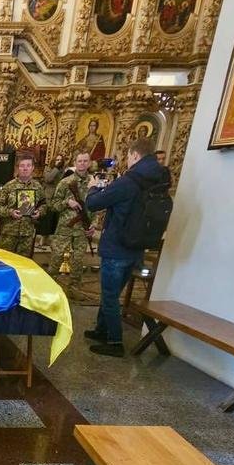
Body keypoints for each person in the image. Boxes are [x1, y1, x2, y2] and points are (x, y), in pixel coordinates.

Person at [82, 137, 171, 357]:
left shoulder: (129, 181)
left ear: (135, 155)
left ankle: (114, 341)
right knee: (112, 292)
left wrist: (93, 188)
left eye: (129, 157)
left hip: (117, 246)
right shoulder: (157, 179)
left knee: (110, 296)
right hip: (137, 246)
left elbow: (93, 203)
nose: (128, 161)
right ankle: (101, 330)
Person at [48, 151, 96, 298]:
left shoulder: (93, 184)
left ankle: (74, 289)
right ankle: (49, 288)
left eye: (85, 161)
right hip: (65, 227)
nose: (82, 164)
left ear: (89, 163)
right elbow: (53, 204)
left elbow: (96, 206)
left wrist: (93, 224)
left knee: (78, 260)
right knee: (56, 257)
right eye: (79, 161)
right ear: (75, 163)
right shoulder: (65, 182)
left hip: (82, 228)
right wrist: (67, 202)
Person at [0, 155, 46, 256]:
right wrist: (10, 212)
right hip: (9, 233)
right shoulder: (8, 186)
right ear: (17, 168)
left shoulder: (38, 187)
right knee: (5, 260)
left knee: (24, 261)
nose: (25, 168)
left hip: (27, 234)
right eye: (22, 166)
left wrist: (39, 212)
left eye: (28, 165)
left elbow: (44, 204)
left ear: (32, 168)